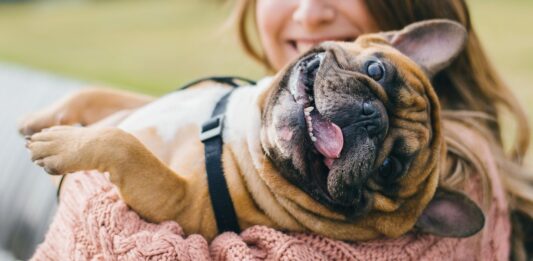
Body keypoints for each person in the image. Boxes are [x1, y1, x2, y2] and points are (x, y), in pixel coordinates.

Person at [27, 0, 533, 259]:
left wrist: (84, 172)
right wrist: (96, 106)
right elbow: (174, 118)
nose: (310, 11)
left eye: (392, 161)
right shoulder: (258, 106)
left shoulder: (460, 180)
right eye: (374, 73)